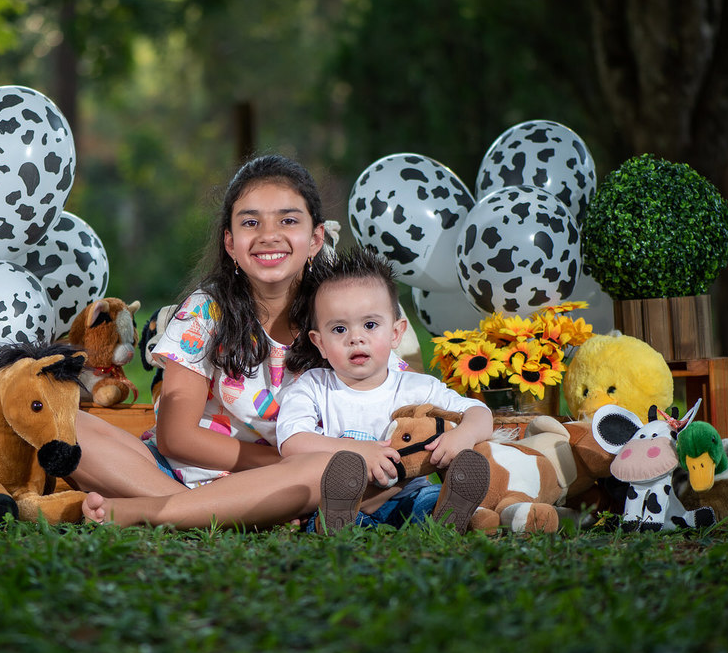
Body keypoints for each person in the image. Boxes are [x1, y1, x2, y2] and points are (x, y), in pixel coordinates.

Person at [73, 155, 485, 532]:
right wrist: (283, 466)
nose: (269, 235)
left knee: (330, 469)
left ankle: (167, 512)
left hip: (307, 479)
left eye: (288, 220)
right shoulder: (206, 310)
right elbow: (176, 438)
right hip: (181, 473)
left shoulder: (342, 312)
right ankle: (220, 510)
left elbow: (396, 398)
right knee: (68, 426)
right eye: (250, 223)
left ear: (316, 237)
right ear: (230, 243)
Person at [275, 246, 494, 533]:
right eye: (339, 329)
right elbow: (292, 440)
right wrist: (357, 450)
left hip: (409, 495)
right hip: (348, 499)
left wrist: (464, 435)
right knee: (325, 512)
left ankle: (449, 514)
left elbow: (479, 412)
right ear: (320, 343)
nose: (356, 338)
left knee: (430, 499)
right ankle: (336, 522)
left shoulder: (416, 386)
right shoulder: (314, 386)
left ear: (395, 333)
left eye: (369, 325)